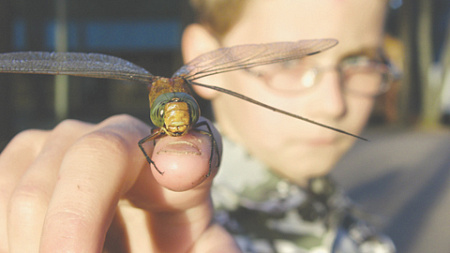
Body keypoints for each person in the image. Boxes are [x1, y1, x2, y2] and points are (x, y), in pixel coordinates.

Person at [0, 0, 398, 252]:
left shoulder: (369, 241)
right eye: (288, 61)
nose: (333, 104)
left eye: (359, 62)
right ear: (206, 58)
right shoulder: (163, 227)